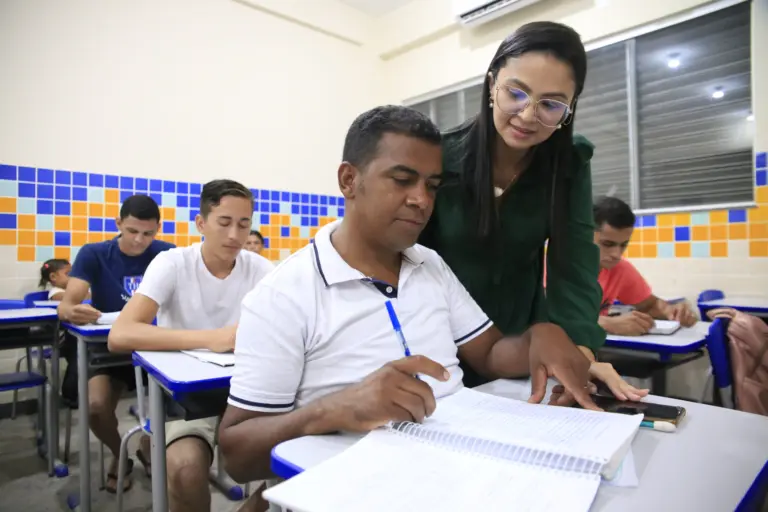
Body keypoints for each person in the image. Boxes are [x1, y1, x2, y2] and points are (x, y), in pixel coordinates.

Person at [218, 105, 599, 486]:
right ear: (349, 180)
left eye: (432, 186)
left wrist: (538, 338)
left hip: (457, 473)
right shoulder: (283, 295)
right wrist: (333, 409)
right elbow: (236, 454)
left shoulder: (430, 265)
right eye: (402, 180)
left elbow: (490, 353)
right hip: (353, 488)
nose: (421, 200)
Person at [418, 21, 607, 387]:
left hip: (524, 349)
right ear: (492, 85)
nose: (526, 115)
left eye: (551, 104)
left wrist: (579, 353)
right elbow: (411, 264)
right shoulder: (440, 156)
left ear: (569, 110)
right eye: (516, 93)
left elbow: (575, 267)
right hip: (441, 346)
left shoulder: (568, 162)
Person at [109, 179, 274, 512]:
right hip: (184, 399)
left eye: (244, 225)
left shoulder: (260, 269)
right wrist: (211, 339)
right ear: (201, 223)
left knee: (295, 461)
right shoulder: (173, 264)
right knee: (185, 471)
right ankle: (154, 444)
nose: (234, 235)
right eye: (224, 222)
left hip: (245, 392)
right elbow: (120, 335)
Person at [57, 194, 174, 493]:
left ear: (158, 229)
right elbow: (67, 305)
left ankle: (148, 447)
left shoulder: (167, 254)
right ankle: (119, 453)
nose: (139, 240)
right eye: (132, 231)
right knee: (96, 407)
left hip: (151, 344)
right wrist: (72, 310)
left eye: (148, 233)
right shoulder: (94, 254)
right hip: (106, 344)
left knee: (173, 404)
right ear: (118, 223)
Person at [593, 196, 697, 335]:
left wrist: (671, 310)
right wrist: (606, 323)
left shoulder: (619, 269)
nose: (617, 254)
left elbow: (650, 305)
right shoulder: (556, 267)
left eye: (623, 245)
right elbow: (554, 323)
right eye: (607, 244)